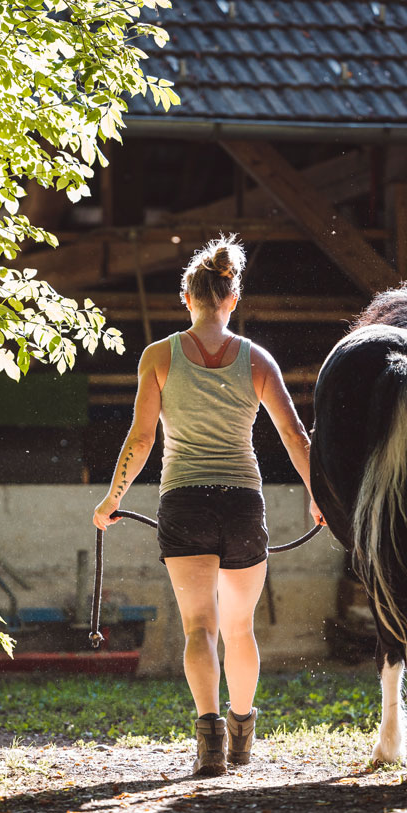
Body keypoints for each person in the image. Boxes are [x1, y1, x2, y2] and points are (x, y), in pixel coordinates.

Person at [93, 236, 322, 777]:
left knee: (200, 628)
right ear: (231, 298)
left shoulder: (158, 357)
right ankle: (242, 734)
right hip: (243, 503)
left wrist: (111, 500)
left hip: (184, 503)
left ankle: (210, 742)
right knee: (239, 630)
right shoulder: (257, 359)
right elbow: (294, 437)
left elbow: (142, 439)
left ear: (186, 299)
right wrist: (320, 497)